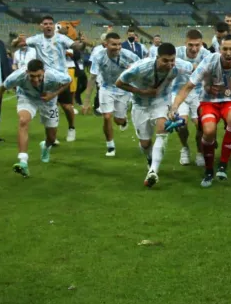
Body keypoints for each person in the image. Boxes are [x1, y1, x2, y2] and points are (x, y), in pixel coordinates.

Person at [171, 35, 231, 188]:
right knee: (209, 131)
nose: (228, 52)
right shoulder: (210, 61)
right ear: (219, 49)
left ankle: (223, 166)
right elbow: (188, 86)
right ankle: (209, 170)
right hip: (209, 102)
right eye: (225, 49)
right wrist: (174, 106)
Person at [116, 43, 193, 187]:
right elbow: (119, 82)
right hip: (140, 104)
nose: (170, 64)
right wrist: (142, 92)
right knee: (145, 144)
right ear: (157, 58)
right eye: (165, 60)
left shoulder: (179, 66)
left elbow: (197, 70)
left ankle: (153, 172)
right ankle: (150, 159)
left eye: (172, 60)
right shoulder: (141, 67)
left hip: (161, 102)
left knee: (162, 130)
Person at [0, 60, 71, 177]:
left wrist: (53, 95)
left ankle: (46, 146)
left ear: (44, 71)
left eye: (39, 76)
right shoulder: (18, 76)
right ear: (27, 72)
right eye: (32, 76)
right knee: (23, 121)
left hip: (49, 101)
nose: (36, 80)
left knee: (52, 138)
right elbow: (1, 89)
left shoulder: (54, 75)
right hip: (27, 98)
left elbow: (68, 81)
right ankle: (23, 161)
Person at [21, 15, 86, 143]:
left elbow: (76, 47)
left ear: (53, 25)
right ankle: (51, 136)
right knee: (49, 108)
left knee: (67, 106)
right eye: (45, 24)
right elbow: (21, 44)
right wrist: (16, 41)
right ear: (41, 26)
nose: (48, 26)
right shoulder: (36, 39)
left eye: (50, 23)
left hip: (61, 78)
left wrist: (83, 43)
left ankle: (71, 128)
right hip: (45, 80)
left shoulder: (62, 38)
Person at [82, 32, 139, 156]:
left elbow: (142, 66)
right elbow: (92, 78)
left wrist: (133, 69)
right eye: (114, 44)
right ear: (105, 44)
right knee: (107, 116)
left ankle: (123, 121)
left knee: (118, 120)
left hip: (123, 88)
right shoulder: (98, 56)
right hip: (106, 87)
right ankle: (110, 146)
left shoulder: (128, 55)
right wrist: (86, 101)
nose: (118, 47)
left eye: (119, 44)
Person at [174, 29, 212, 166]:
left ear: (202, 43)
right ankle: (184, 148)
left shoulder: (207, 55)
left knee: (201, 125)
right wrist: (192, 66)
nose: (194, 48)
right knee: (181, 124)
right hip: (179, 92)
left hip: (199, 94)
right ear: (185, 43)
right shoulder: (176, 53)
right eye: (191, 45)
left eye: (197, 45)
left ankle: (200, 152)